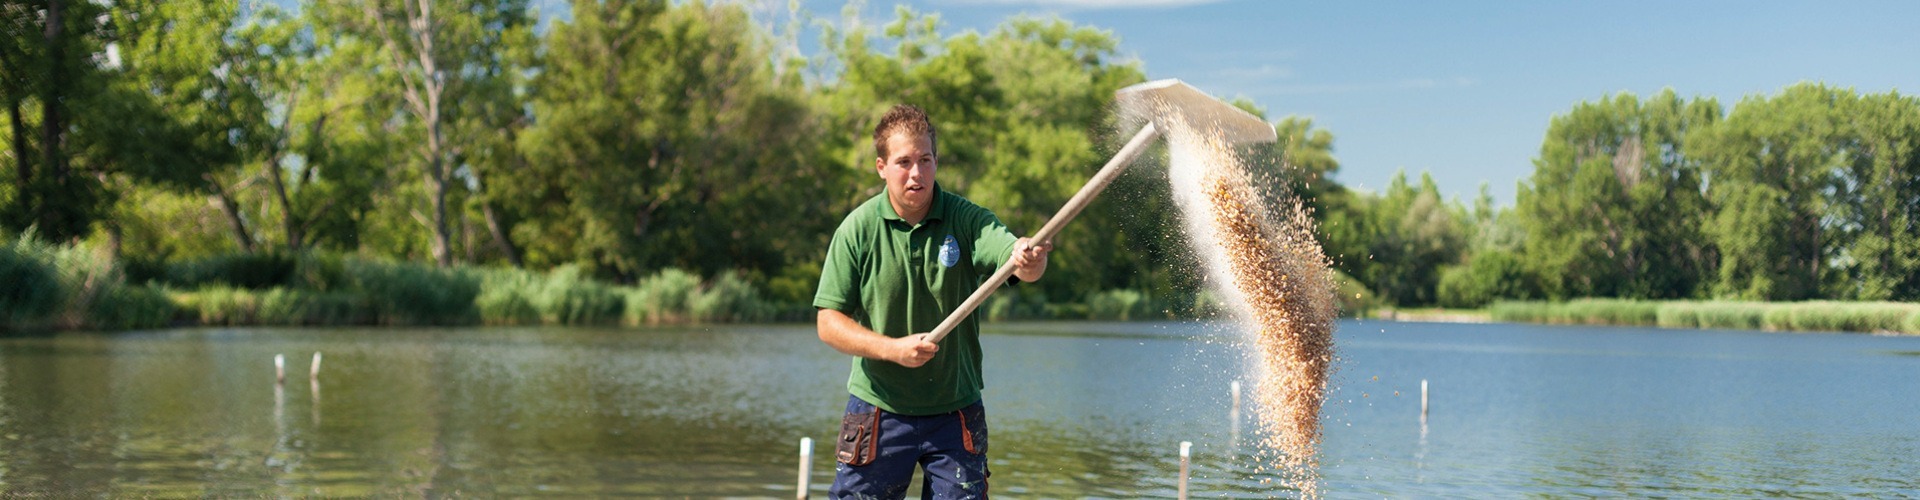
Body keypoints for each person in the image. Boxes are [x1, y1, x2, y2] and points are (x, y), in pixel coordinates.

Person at [814, 104, 1052, 498]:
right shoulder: (856, 229)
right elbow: (828, 323)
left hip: (955, 410)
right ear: (881, 167)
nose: (916, 173)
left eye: (925, 160)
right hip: (879, 408)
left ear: (936, 162)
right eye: (903, 162)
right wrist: (892, 349)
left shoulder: (967, 219)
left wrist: (1030, 258)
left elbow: (1018, 262)